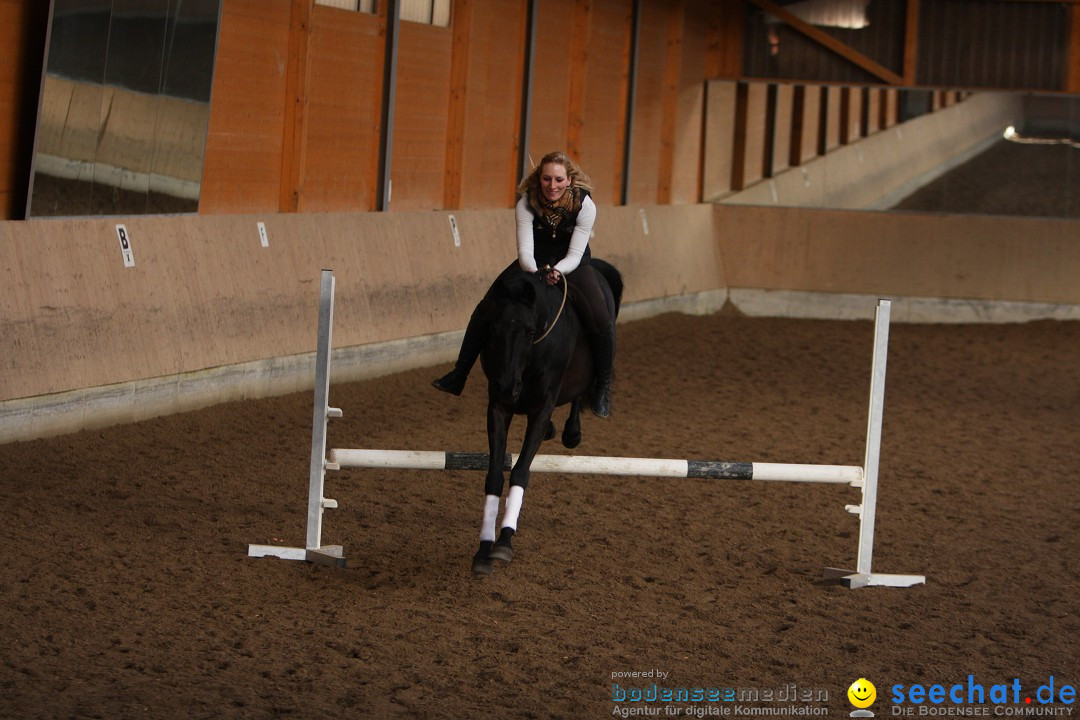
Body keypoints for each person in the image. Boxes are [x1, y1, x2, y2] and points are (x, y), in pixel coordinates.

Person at [432, 151, 616, 418]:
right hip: (534, 261)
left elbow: (575, 254)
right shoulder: (526, 202)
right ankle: (459, 373)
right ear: (538, 178)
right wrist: (538, 272)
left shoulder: (585, 205)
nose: (552, 186)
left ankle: (602, 386)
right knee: (487, 306)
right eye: (546, 179)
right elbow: (525, 251)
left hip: (572, 263)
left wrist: (557, 271)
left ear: (569, 180)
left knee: (601, 319)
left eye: (558, 180)